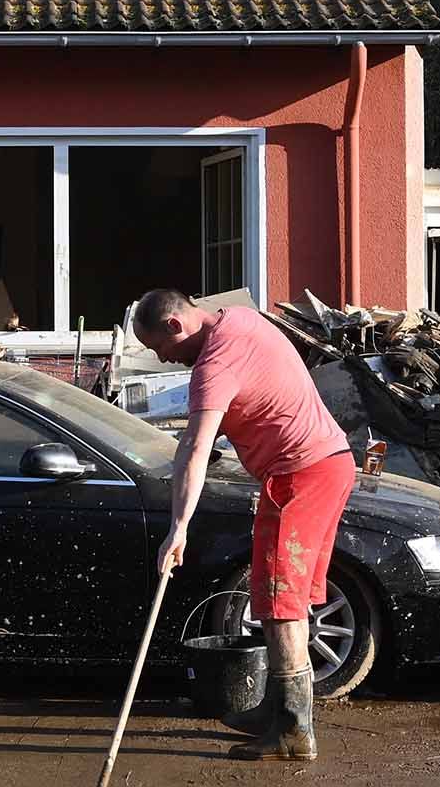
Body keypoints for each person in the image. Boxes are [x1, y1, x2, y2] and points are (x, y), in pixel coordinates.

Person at [133, 288, 355, 762]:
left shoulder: (213, 366)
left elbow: (194, 448)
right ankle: (278, 708)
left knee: (280, 600)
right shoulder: (239, 319)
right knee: (281, 595)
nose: (164, 360)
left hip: (300, 474)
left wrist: (179, 526)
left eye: (158, 349)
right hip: (328, 462)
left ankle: (294, 729)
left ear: (176, 325)